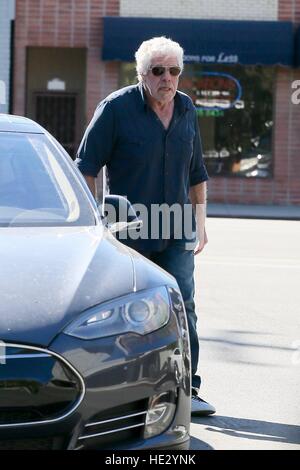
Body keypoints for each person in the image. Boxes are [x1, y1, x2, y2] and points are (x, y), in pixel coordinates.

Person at [76, 36, 216, 416]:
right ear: (142, 74)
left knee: (183, 308)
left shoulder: (186, 108)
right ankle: (124, 394)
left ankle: (190, 389)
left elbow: (197, 171)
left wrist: (200, 223)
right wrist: (96, 223)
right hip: (129, 231)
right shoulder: (116, 109)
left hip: (177, 229)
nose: (167, 78)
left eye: (174, 71)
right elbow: (85, 168)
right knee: (128, 312)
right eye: (158, 71)